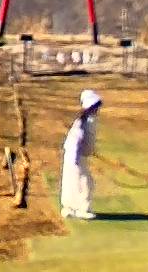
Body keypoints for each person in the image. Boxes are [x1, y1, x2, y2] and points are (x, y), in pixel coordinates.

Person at [60, 89, 102, 220]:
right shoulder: (84, 121)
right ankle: (81, 209)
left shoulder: (88, 119)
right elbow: (77, 140)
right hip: (75, 156)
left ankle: (70, 208)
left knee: (73, 181)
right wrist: (76, 157)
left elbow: (88, 140)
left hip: (76, 155)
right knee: (85, 182)